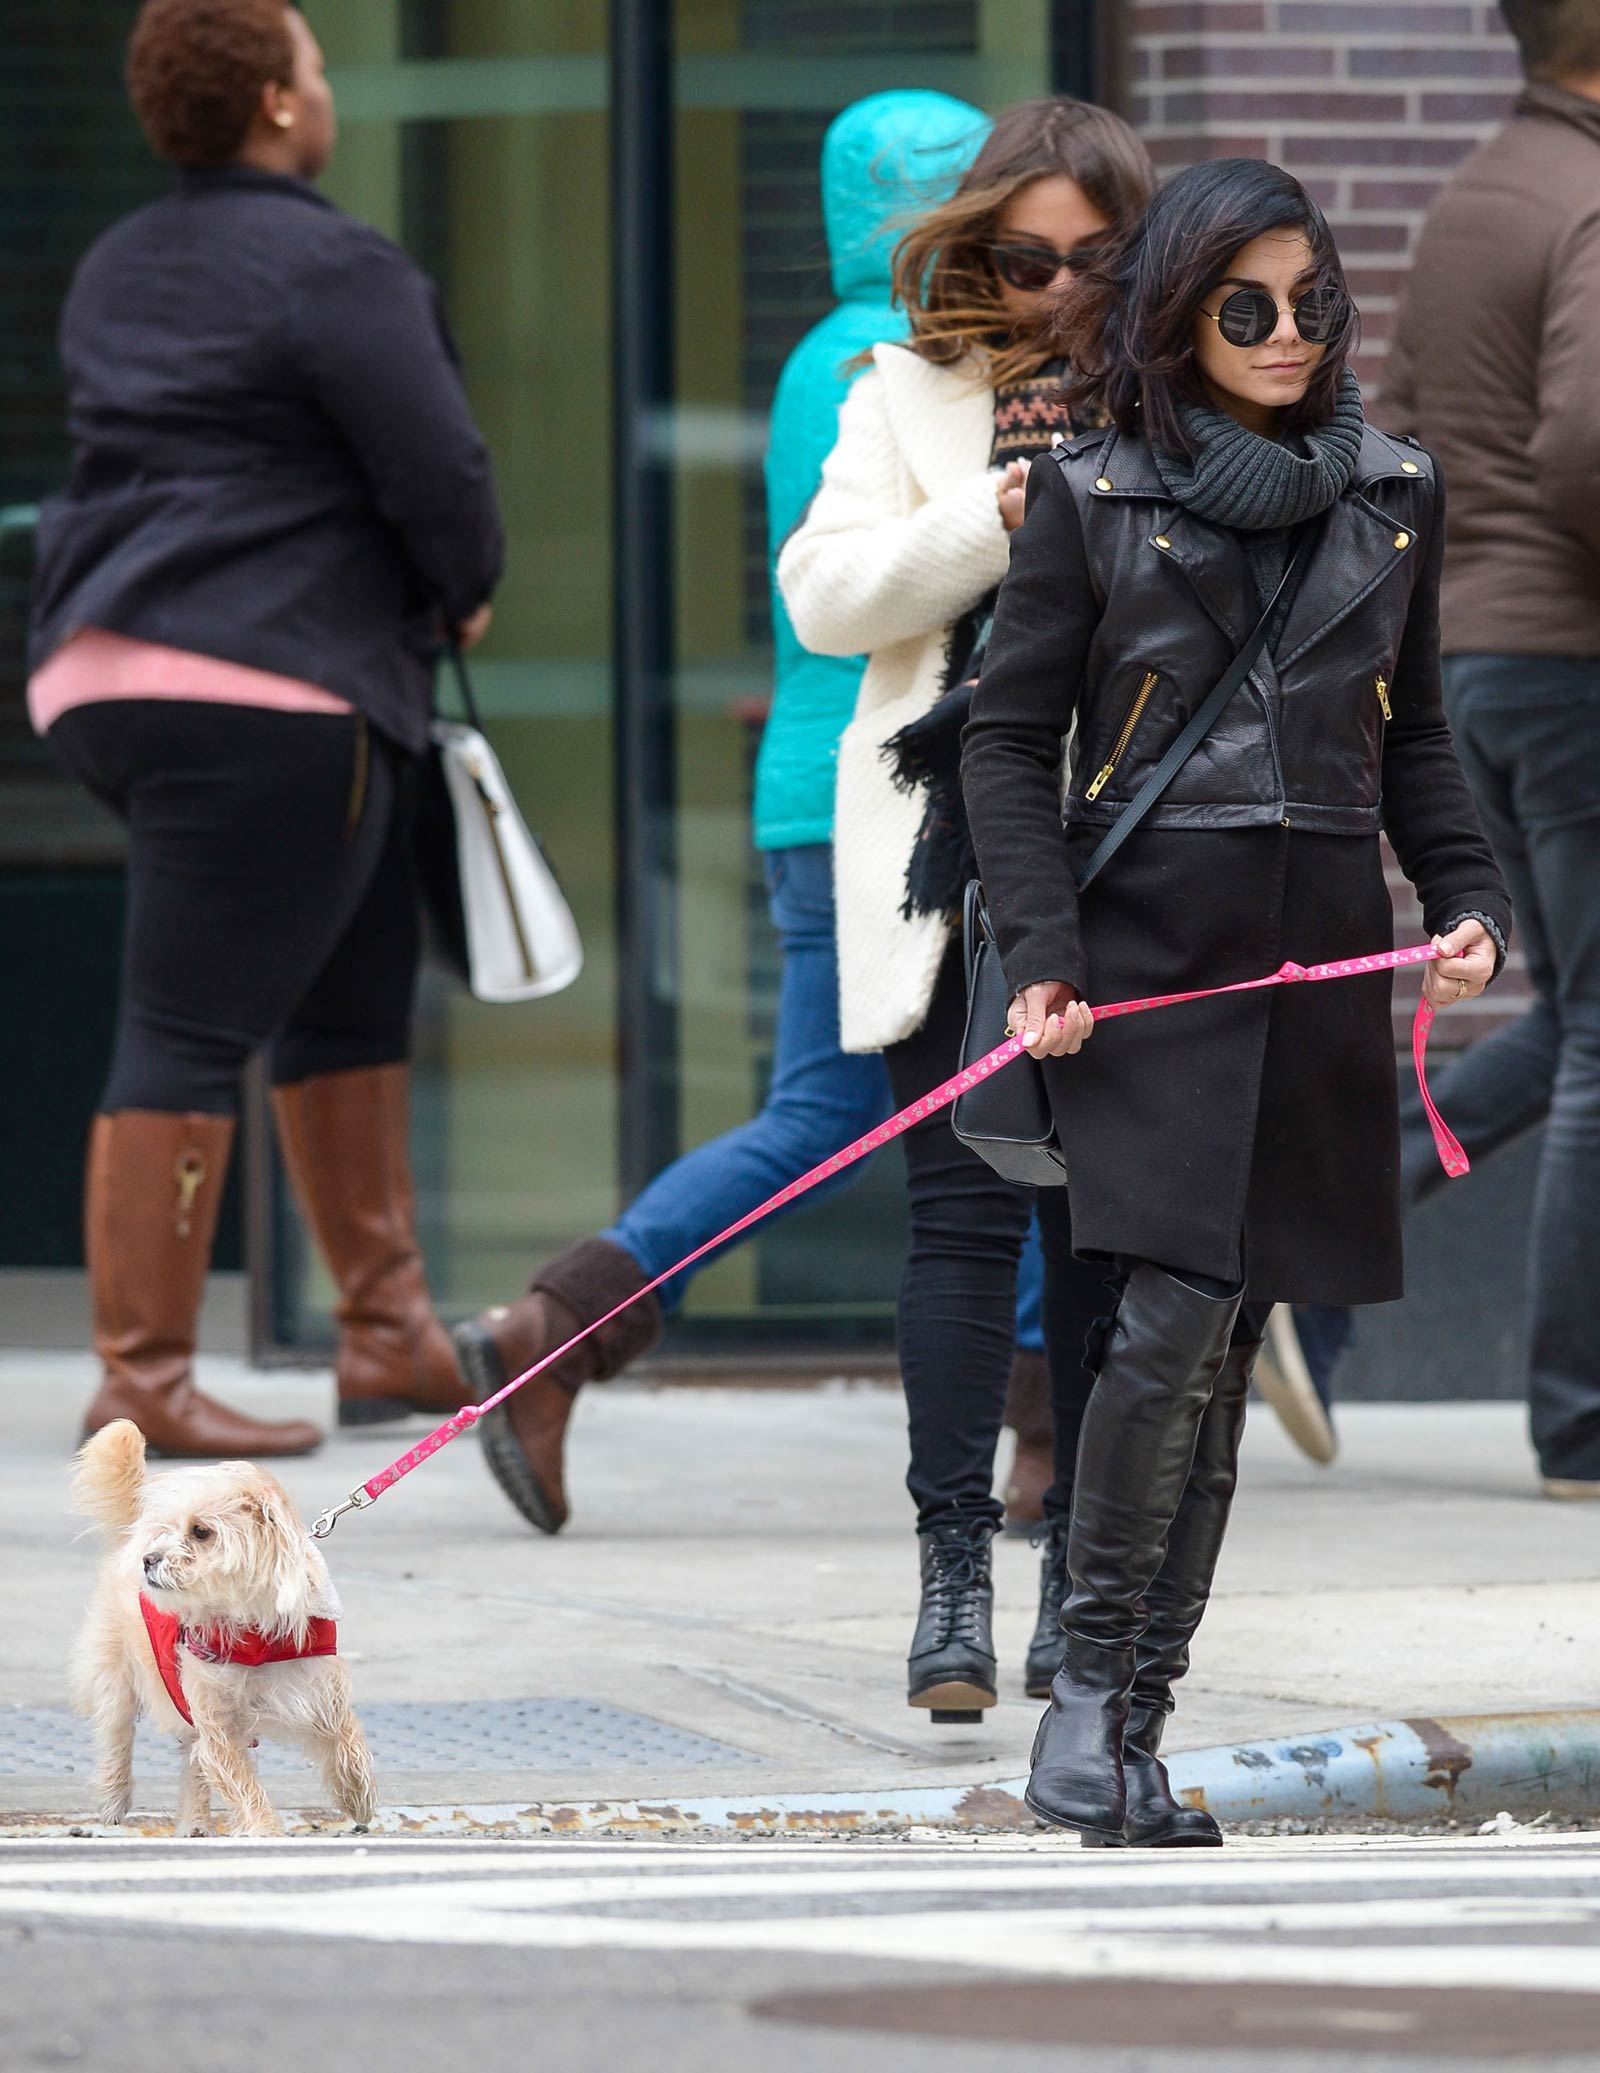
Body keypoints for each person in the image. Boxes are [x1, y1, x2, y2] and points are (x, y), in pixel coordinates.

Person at [962, 158, 1510, 1842]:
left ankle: (1133, 1725)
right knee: (1174, 1312)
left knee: (1231, 1332)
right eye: (1246, 307)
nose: (1287, 336)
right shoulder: (1095, 495)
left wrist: (1471, 893)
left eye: (1313, 305)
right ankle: (1088, 1706)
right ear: (1181, 317)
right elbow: (1002, 736)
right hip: (1151, 955)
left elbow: (1410, 733)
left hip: (1320, 950)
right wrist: (1045, 951)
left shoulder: (1399, 492)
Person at [455, 90, 1065, 1537]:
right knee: (932, 1100)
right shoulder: (903, 366)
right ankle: (564, 1325)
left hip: (830, 782)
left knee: (911, 1102)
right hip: (883, 795)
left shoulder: (825, 357)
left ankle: (555, 1330)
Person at [29, 0, 503, 1456]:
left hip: (111, 668)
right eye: (311, 59)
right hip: (268, 684)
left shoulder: (118, 262)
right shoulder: (331, 263)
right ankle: (143, 1375)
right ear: (280, 107)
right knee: (186, 1024)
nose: (323, 79)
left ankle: (383, 1330)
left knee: (348, 977)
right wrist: (463, 585)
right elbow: (439, 464)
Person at [780, 98, 1155, 1721]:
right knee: (960, 1206)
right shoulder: (906, 393)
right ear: (978, 251)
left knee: (1105, 1215)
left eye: (1097, 260)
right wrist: (992, 515)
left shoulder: (1190, 398)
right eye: (1027, 258)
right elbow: (820, 599)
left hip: (1136, 850)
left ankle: (1079, 1571)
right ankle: (952, 1580)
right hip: (951, 850)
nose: (1060, 290)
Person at [1281, 0, 1600, 1502]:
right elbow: (1588, 442)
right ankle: (1583, 1422)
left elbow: (1394, 433)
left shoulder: (1483, 185)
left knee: (1582, 1012)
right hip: (1569, 660)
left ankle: (1304, 1247)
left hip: (1478, 656)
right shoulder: (1591, 191)